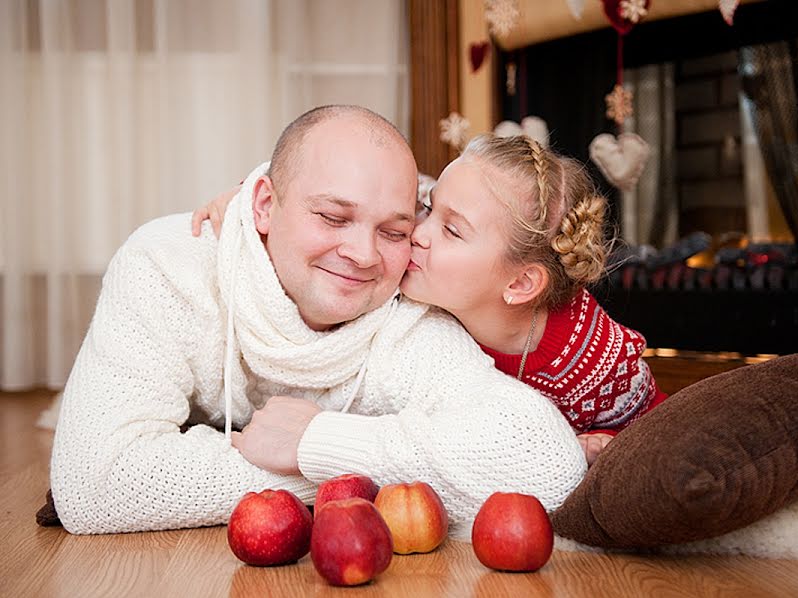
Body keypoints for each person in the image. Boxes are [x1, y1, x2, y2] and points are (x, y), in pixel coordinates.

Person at [50, 105, 586, 535]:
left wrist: (317, 443)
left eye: (395, 230)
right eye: (333, 217)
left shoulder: (410, 302)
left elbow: (545, 464)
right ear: (262, 204)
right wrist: (354, 471)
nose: (363, 254)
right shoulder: (168, 264)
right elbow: (93, 485)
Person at [194, 134, 667, 466]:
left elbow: (658, 437)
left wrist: (599, 448)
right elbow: (331, 178)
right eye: (429, 206)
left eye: (452, 229)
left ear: (520, 285)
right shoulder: (417, 276)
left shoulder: (596, 361)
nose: (415, 232)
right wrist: (244, 201)